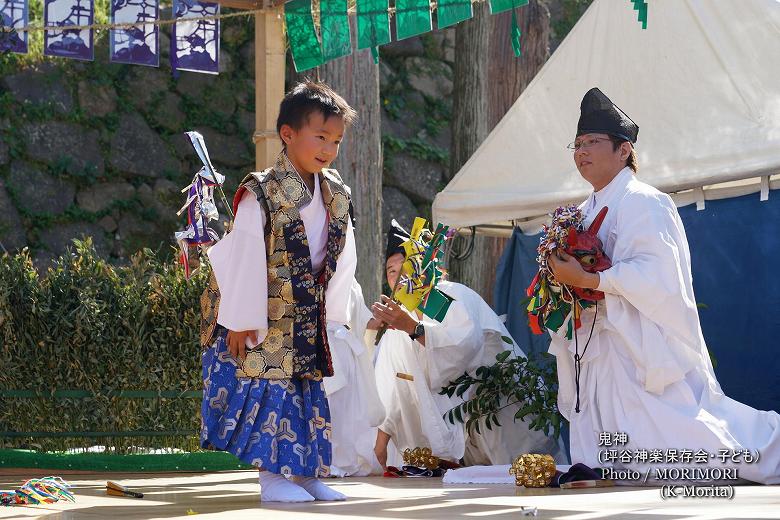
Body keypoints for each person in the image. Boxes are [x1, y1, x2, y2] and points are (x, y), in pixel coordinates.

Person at [547, 87, 780, 484]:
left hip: (639, 340)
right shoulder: (582, 210)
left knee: (688, 437)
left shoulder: (644, 201)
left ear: (624, 150)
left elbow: (659, 275)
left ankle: (771, 451)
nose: (581, 151)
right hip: (600, 339)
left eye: (592, 142)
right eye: (578, 143)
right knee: (621, 436)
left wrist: (590, 279)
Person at [199, 81, 359, 502]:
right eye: (320, 136)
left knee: (307, 391)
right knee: (269, 391)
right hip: (265, 312)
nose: (329, 148)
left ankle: (306, 473)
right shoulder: (262, 190)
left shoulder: (336, 192)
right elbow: (246, 253)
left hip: (308, 315)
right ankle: (272, 477)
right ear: (287, 134)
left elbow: (344, 255)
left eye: (336, 140)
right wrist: (239, 320)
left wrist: (335, 316)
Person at [371, 229, 567, 469]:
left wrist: (412, 327)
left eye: (407, 266)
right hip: (466, 427)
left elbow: (463, 346)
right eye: (392, 272)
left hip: (504, 409)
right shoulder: (400, 320)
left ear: (425, 267)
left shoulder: (447, 295)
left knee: (526, 475)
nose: (400, 276)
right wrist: (381, 445)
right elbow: (391, 386)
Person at [323, 278, 385, 477]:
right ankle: (323, 461)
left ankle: (344, 462)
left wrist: (375, 321)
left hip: (343, 345)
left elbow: (358, 314)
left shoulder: (348, 275)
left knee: (346, 408)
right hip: (320, 341)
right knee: (327, 405)